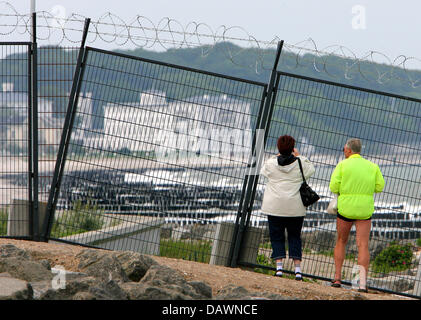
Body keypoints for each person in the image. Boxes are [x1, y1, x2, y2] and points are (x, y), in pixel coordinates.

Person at [329, 138, 385, 292]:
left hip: (346, 208)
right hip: (364, 210)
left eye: (344, 149)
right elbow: (380, 187)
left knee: (341, 241)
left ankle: (337, 278)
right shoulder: (372, 166)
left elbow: (333, 185)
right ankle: (361, 284)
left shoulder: (342, 165)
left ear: (348, 150)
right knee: (363, 245)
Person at [260, 135, 315, 281]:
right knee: (294, 236)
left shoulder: (271, 164)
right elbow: (311, 169)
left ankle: (279, 268)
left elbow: (263, 170)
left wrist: (276, 155)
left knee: (276, 236)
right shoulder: (300, 163)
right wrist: (298, 155)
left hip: (274, 206)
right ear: (293, 148)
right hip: (295, 208)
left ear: (278, 147)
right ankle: (297, 270)